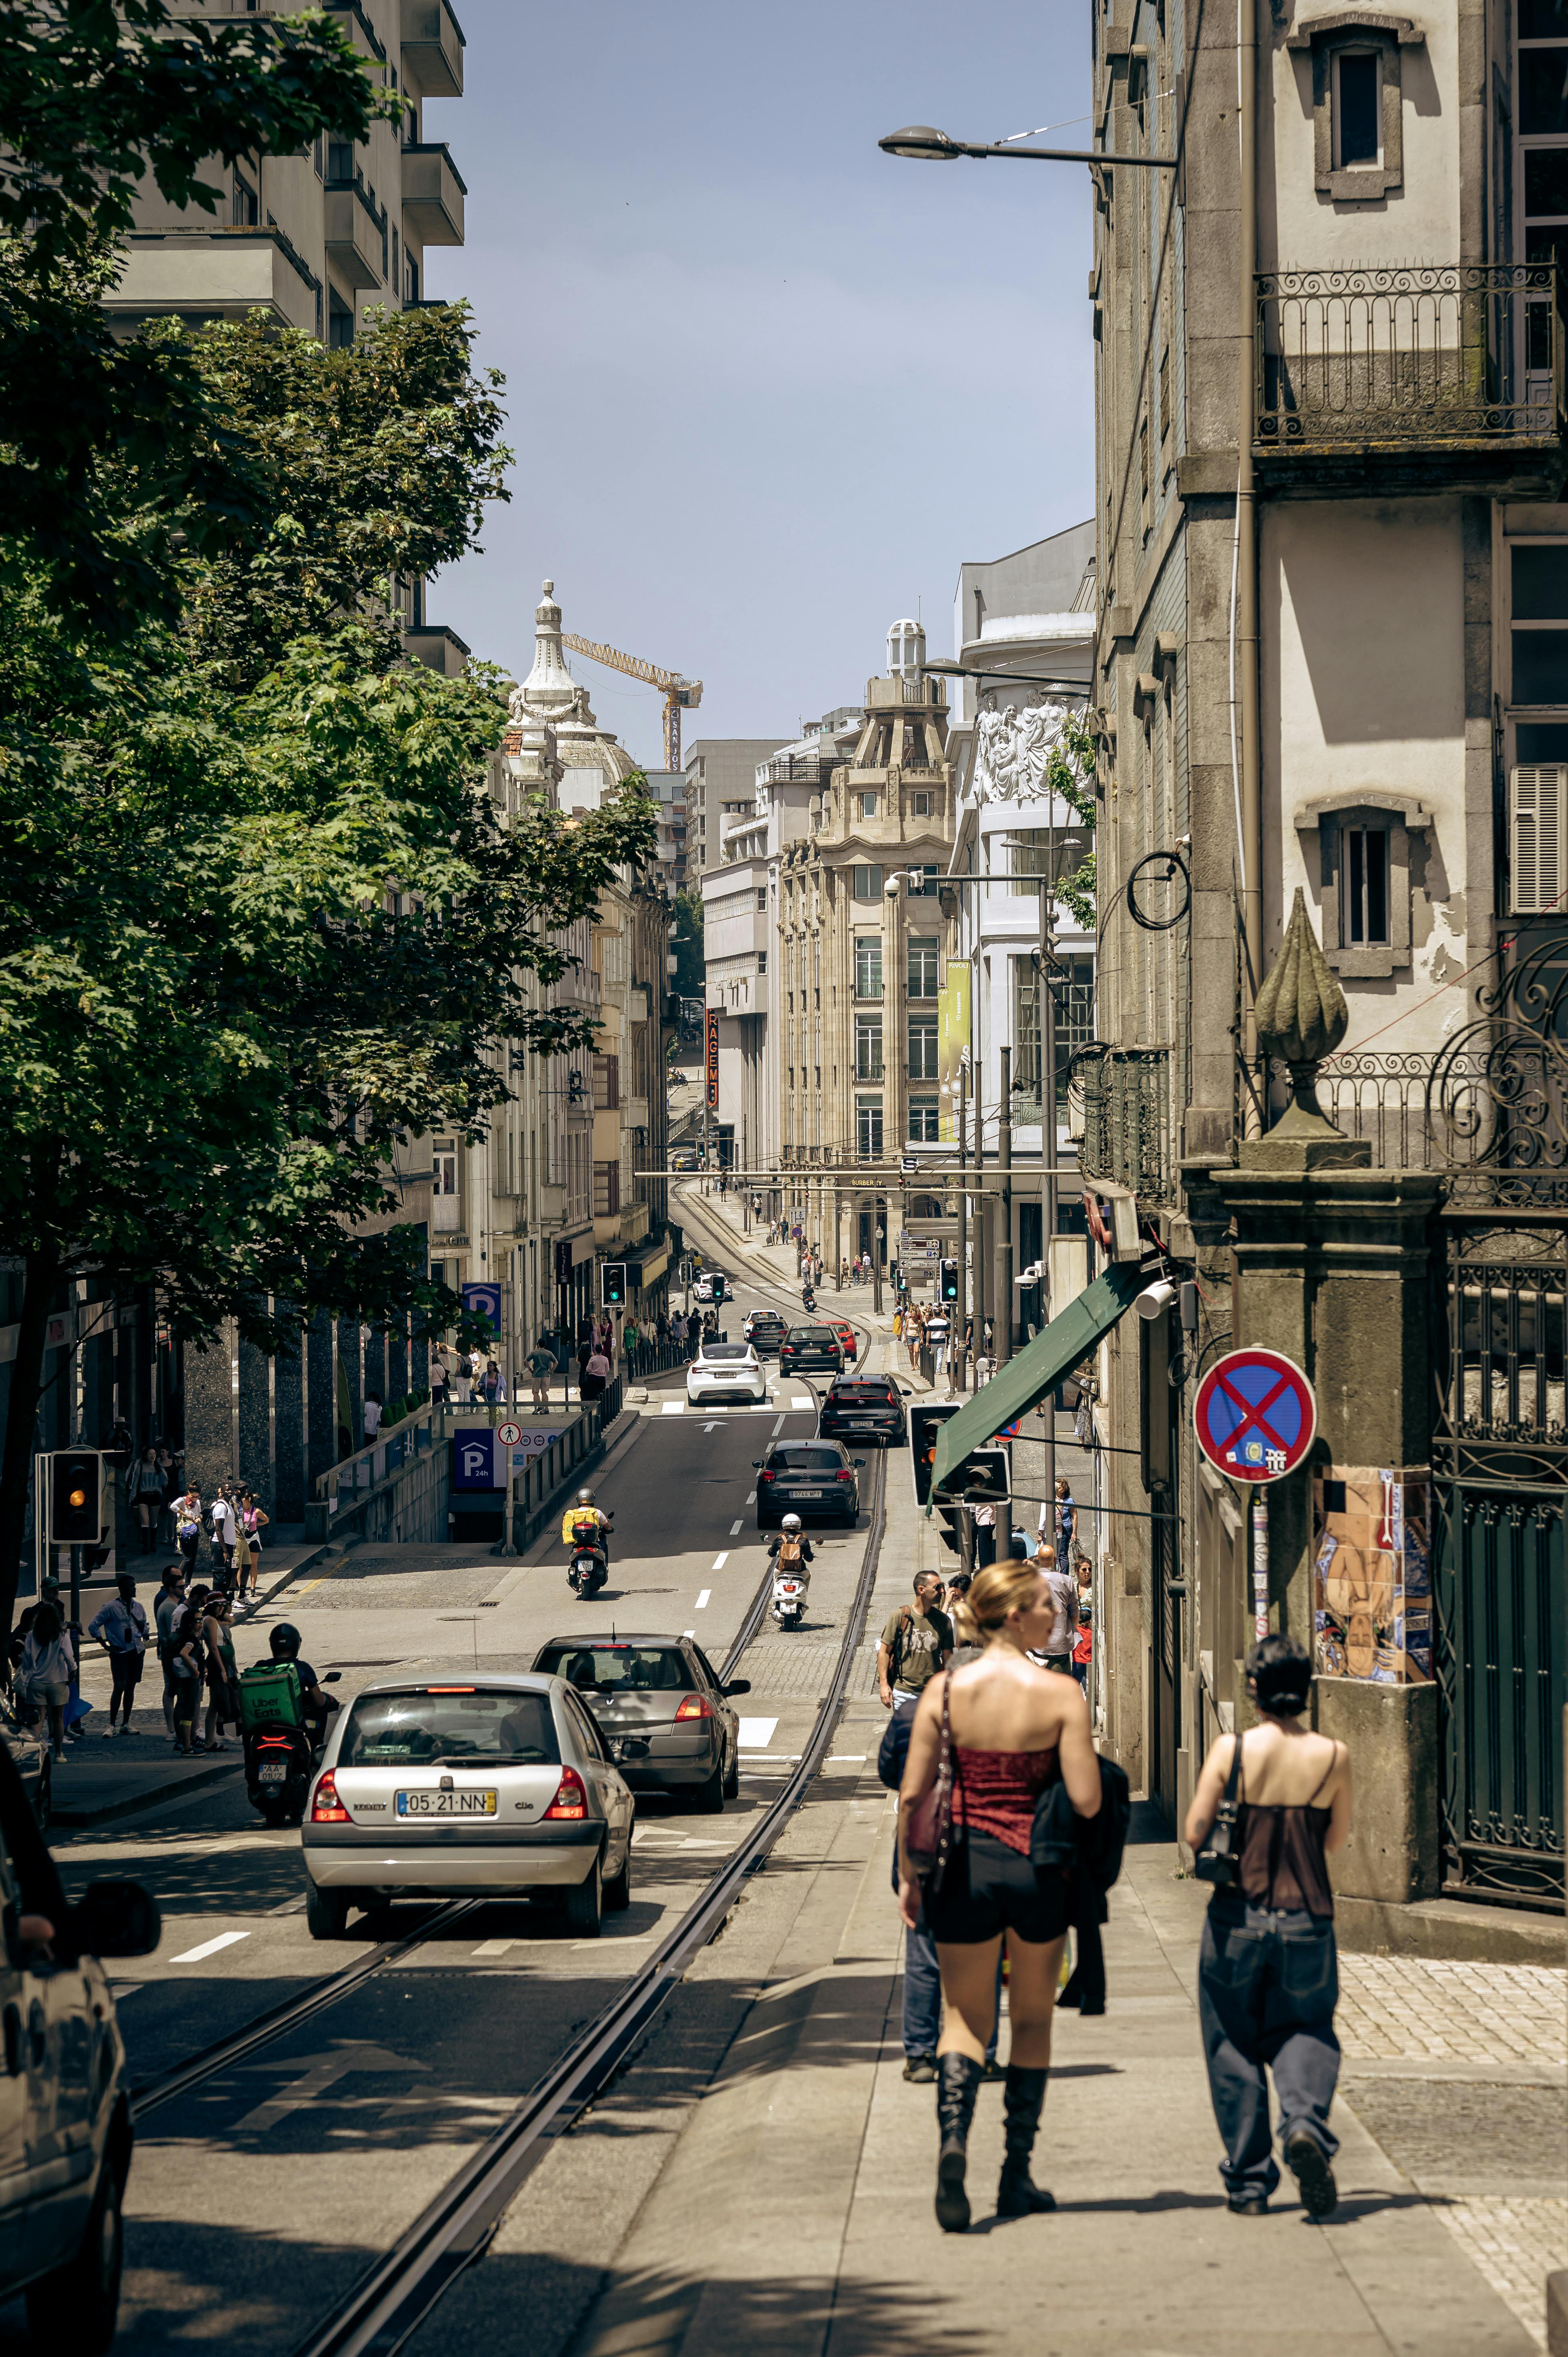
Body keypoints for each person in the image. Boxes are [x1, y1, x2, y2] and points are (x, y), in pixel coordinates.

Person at [898, 1558, 1102, 2231]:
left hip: (962, 1870)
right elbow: (1085, 1798)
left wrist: (908, 1875)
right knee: (1033, 2021)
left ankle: (953, 2142)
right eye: (1044, 1604)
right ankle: (1015, 2174)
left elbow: (911, 1793)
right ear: (1012, 1614)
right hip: (1036, 1871)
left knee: (964, 2020)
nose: (1054, 1613)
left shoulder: (944, 1691)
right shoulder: (1059, 1694)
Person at [1184, 1634, 1352, 2220]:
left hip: (1238, 1916)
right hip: (1308, 1916)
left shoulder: (1231, 1751)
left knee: (1232, 2040)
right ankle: (1304, 2122)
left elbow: (1195, 1831)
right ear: (1305, 1690)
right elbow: (1335, 1840)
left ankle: (1251, 2183)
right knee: (1306, 2026)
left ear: (1254, 1690)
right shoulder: (1333, 1756)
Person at [877, 1572, 953, 1715]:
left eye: (942, 1587)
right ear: (921, 1590)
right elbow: (884, 1652)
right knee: (906, 1736)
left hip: (932, 1693)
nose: (942, 1591)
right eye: (937, 1587)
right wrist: (884, 1685)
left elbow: (949, 1660)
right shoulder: (900, 1617)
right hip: (904, 1692)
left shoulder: (943, 1621)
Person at [88, 1573, 149, 1738]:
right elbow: (93, 1626)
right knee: (119, 1686)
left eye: (134, 1585)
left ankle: (126, 1723)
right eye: (131, 1585)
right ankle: (112, 1724)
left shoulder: (138, 1607)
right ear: (122, 1589)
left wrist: (145, 1632)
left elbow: (144, 1625)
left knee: (131, 1687)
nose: (134, 1588)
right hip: (120, 1652)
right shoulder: (110, 1607)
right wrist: (105, 1645)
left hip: (137, 1650)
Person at [267, 1621, 339, 1748]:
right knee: (316, 1723)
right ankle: (315, 1754)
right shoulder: (302, 1668)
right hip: (297, 1724)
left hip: (265, 1724)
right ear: (296, 1644)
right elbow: (320, 1702)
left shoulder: (260, 1667)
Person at [20, 1603, 76, 1763]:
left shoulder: (32, 1635)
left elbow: (27, 1661)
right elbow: (69, 1657)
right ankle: (59, 1754)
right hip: (58, 1680)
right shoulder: (61, 1635)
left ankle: (35, 1756)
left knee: (37, 1721)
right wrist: (73, 1670)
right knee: (58, 1719)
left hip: (36, 1682)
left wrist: (30, 1670)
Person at [155, 1565, 187, 1740]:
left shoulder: (172, 1605)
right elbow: (173, 1635)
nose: (184, 1589)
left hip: (171, 1653)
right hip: (171, 1654)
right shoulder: (169, 1607)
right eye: (181, 1587)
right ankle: (172, 1729)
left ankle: (174, 1728)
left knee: (173, 1689)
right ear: (171, 1589)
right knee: (172, 1690)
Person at [125, 1448, 165, 1556]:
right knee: (145, 1521)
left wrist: (162, 1470)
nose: (153, 1456)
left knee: (153, 1522)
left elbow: (165, 1481)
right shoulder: (141, 1467)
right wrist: (133, 1496)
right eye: (150, 1454)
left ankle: (152, 1544)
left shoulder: (158, 1467)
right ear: (146, 1456)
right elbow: (136, 1483)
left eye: (154, 1454)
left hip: (155, 1495)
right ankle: (146, 1545)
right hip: (143, 1496)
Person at [561, 1486, 611, 1566]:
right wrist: (609, 1529)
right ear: (592, 1499)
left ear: (578, 1500)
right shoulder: (597, 1512)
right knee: (602, 1546)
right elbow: (607, 1525)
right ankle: (604, 1565)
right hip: (593, 1542)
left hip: (577, 1544)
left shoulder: (572, 1514)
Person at [236, 1490, 269, 1599]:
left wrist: (256, 1524)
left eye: (243, 1499)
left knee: (253, 1565)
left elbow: (266, 1520)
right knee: (240, 1566)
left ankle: (253, 1588)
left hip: (253, 1538)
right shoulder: (239, 1511)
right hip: (242, 1539)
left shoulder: (256, 1511)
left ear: (249, 1500)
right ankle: (242, 1588)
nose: (241, 1501)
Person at [209, 1487, 237, 1587]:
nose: (230, 1492)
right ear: (222, 1493)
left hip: (229, 1545)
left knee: (227, 1577)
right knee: (220, 1578)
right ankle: (217, 1602)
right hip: (220, 1546)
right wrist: (225, 1551)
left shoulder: (229, 1505)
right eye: (227, 1490)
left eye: (231, 1490)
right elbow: (218, 1529)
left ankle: (226, 1601)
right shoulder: (221, 1507)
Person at [174, 1484, 203, 1571]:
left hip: (194, 1529)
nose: (194, 1499)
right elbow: (173, 1507)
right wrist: (186, 1514)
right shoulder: (182, 1500)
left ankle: (188, 1583)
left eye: (197, 1497)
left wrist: (199, 1519)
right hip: (184, 1531)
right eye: (193, 1497)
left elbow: (200, 1514)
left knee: (193, 1558)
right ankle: (179, 1579)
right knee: (187, 1558)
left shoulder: (197, 1502)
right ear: (189, 1493)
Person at [524, 1340, 555, 1413]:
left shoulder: (534, 1353)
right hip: (546, 1375)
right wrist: (551, 1371)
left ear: (538, 1344)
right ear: (545, 1345)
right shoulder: (549, 1353)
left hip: (536, 1375)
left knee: (535, 1393)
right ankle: (544, 1410)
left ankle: (536, 1410)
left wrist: (530, 1369)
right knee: (544, 1392)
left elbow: (526, 1361)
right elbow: (556, 1362)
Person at [972, 1498, 997, 1571]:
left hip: (987, 1520)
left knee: (985, 1548)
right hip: (980, 1519)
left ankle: (986, 1569)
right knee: (982, 1547)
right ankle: (983, 1569)